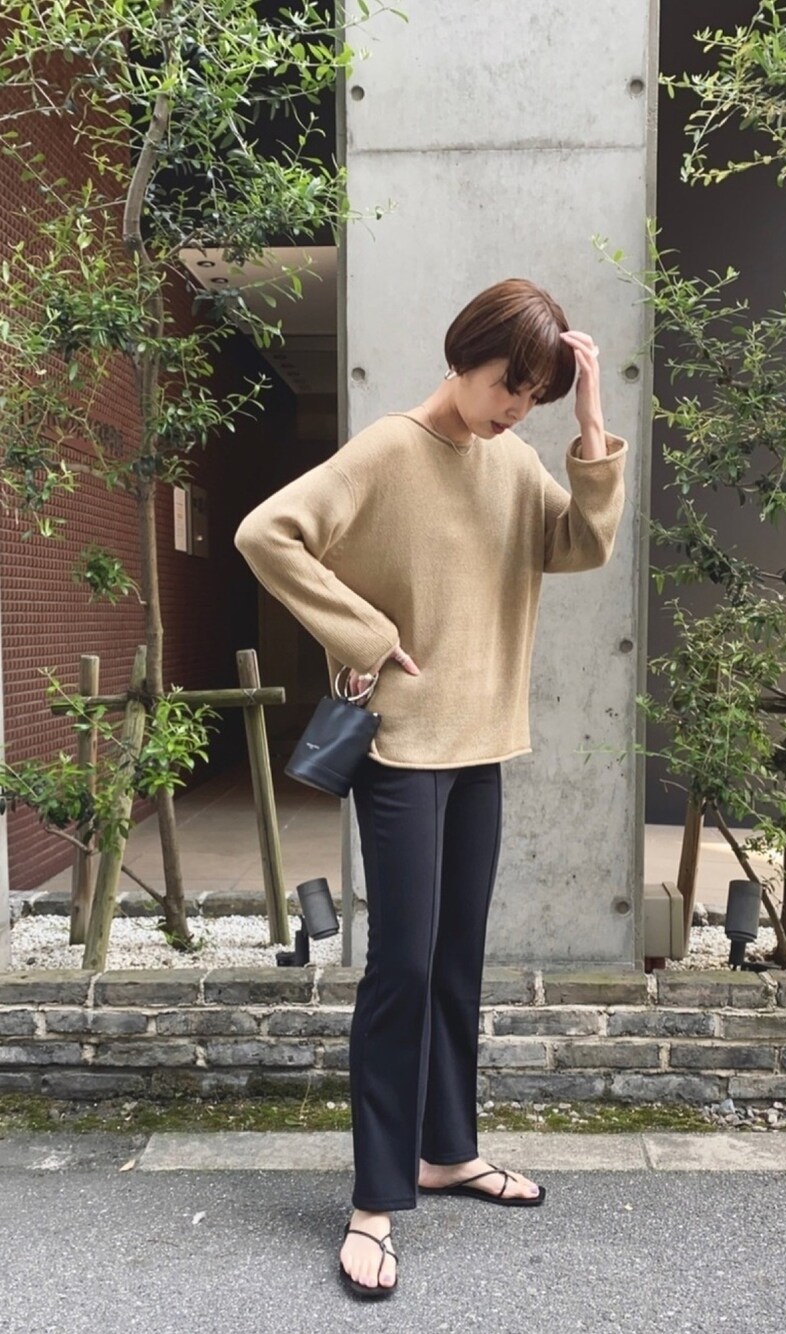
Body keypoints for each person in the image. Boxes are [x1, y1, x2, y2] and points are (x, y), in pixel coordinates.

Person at [234, 277, 627, 1300]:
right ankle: (374, 1199)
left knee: (455, 960)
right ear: (464, 356)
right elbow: (267, 533)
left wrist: (589, 431)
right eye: (509, 385)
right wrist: (364, 634)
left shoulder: (516, 461)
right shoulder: (386, 450)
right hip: (403, 750)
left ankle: (447, 1150)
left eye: (533, 395)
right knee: (401, 969)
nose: (515, 408)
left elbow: (579, 544)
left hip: (481, 743)